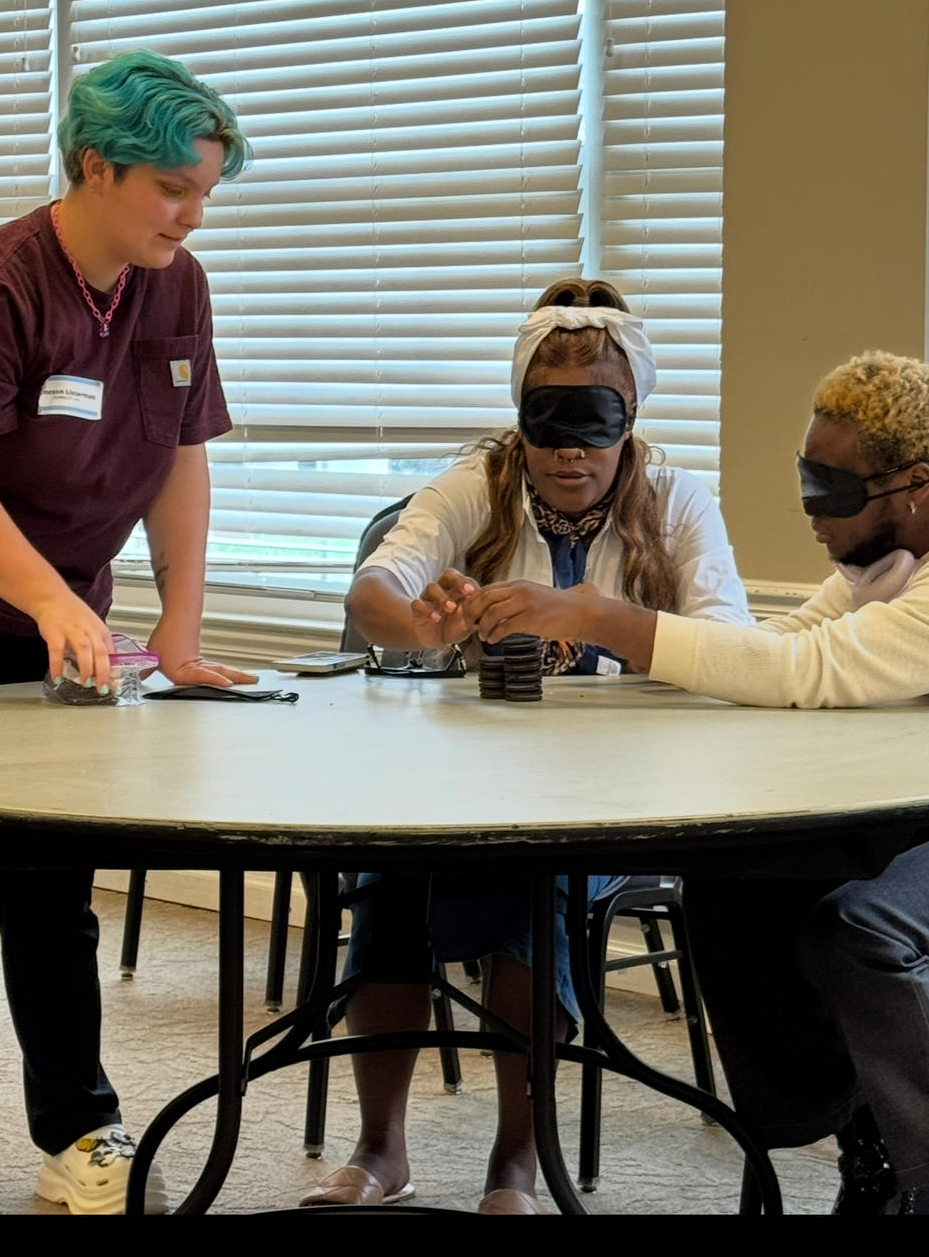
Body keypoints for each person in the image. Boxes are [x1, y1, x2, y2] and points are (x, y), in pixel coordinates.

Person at [299, 278, 752, 1213]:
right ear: (519, 417)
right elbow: (373, 591)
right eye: (547, 424)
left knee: (526, 891)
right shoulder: (479, 485)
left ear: (632, 419)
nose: (569, 452)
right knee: (391, 883)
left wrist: (591, 616)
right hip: (466, 778)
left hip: (617, 789)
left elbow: (731, 647)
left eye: (595, 426)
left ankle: (517, 1158)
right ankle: (381, 1148)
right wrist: (422, 625)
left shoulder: (677, 501)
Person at [469, 348, 929, 1214]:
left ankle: (918, 1173)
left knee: (858, 932)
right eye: (805, 478)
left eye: (831, 488)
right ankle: (847, 1123)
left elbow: (806, 669)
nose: (809, 508)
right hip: (909, 810)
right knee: (734, 879)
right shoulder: (881, 569)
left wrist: (605, 619)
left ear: (914, 485)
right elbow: (779, 644)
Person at [0, 50, 257, 1214]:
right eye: (172, 187)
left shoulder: (176, 285)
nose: (192, 213)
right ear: (94, 166)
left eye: (205, 191)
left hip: (57, 621)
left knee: (49, 894)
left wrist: (177, 625)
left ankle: (80, 1136)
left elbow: (180, 457)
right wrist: (50, 600)